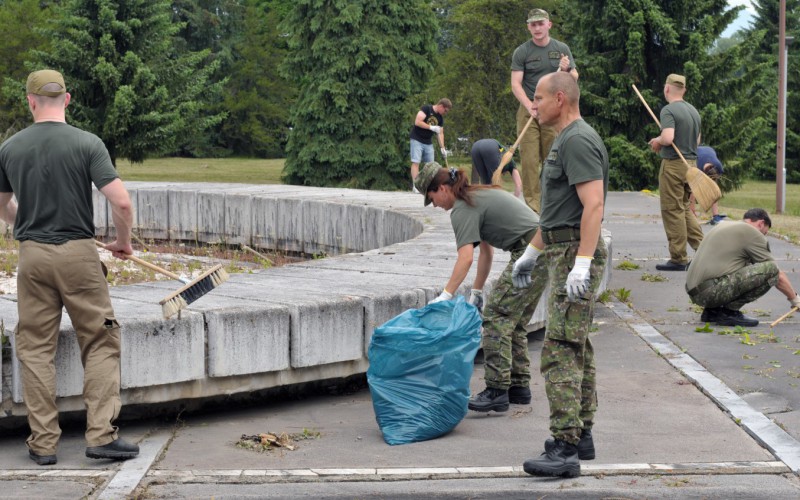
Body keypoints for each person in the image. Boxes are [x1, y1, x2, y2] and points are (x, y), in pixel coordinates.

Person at [0, 69, 139, 466]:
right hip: (79, 255)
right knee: (99, 340)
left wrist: (21, 220)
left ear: (30, 101)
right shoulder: (87, 143)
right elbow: (122, 203)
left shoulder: (9, 148)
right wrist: (123, 243)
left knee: (35, 348)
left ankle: (43, 443)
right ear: (68, 99)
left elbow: (2, 206)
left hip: (32, 258)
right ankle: (101, 436)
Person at [511, 72, 609, 478]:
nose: (534, 106)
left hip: (573, 252)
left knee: (560, 351)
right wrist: (531, 255)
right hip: (560, 248)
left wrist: (583, 262)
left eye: (539, 97)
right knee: (575, 345)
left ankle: (565, 447)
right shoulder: (564, 140)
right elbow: (555, 213)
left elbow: (594, 205)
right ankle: (580, 435)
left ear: (561, 98)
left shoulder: (579, 140)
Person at [415, 161, 548, 413]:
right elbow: (485, 253)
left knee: (497, 317)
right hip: (542, 248)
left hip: (530, 251)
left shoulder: (462, 208)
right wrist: (476, 292)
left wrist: (445, 295)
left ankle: (497, 390)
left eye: (431, 197)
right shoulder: (477, 195)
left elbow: (465, 257)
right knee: (515, 321)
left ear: (442, 188)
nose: (434, 205)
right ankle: (519, 388)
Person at [511, 8, 578, 213]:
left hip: (552, 112)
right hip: (529, 111)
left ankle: (552, 205)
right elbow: (515, 84)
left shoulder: (561, 49)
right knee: (530, 162)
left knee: (553, 158)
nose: (537, 28)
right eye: (533, 24)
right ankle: (534, 210)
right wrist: (529, 104)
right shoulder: (522, 51)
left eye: (541, 23)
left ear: (549, 25)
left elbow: (574, 77)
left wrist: (565, 70)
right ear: (528, 27)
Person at [686, 208, 800, 327]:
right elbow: (777, 274)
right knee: (771, 270)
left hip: (696, 292)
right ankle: (728, 313)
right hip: (709, 293)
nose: (763, 237)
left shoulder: (725, 225)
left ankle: (712, 311)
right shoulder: (752, 232)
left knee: (745, 265)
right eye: (764, 233)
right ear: (761, 223)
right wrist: (795, 299)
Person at [648, 74, 704, 271]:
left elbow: (668, 136)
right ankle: (704, 249)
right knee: (683, 208)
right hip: (691, 164)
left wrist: (657, 141)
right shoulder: (693, 111)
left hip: (673, 164)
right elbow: (696, 141)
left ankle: (678, 258)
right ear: (684, 90)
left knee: (672, 210)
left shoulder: (668, 110)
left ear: (667, 89)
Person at [409, 98, 452, 188]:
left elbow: (440, 133)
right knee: (416, 162)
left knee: (430, 166)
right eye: (445, 110)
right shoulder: (426, 109)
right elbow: (417, 122)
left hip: (428, 142)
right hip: (417, 139)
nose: (445, 113)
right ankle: (416, 186)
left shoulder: (440, 118)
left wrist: (442, 148)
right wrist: (431, 127)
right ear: (441, 106)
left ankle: (426, 186)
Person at [689, 145, 725, 225]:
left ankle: (716, 216)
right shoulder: (696, 167)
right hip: (695, 152)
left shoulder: (718, 166)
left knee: (713, 190)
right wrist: (692, 212)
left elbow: (714, 188)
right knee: (693, 190)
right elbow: (693, 191)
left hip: (709, 150)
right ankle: (691, 213)